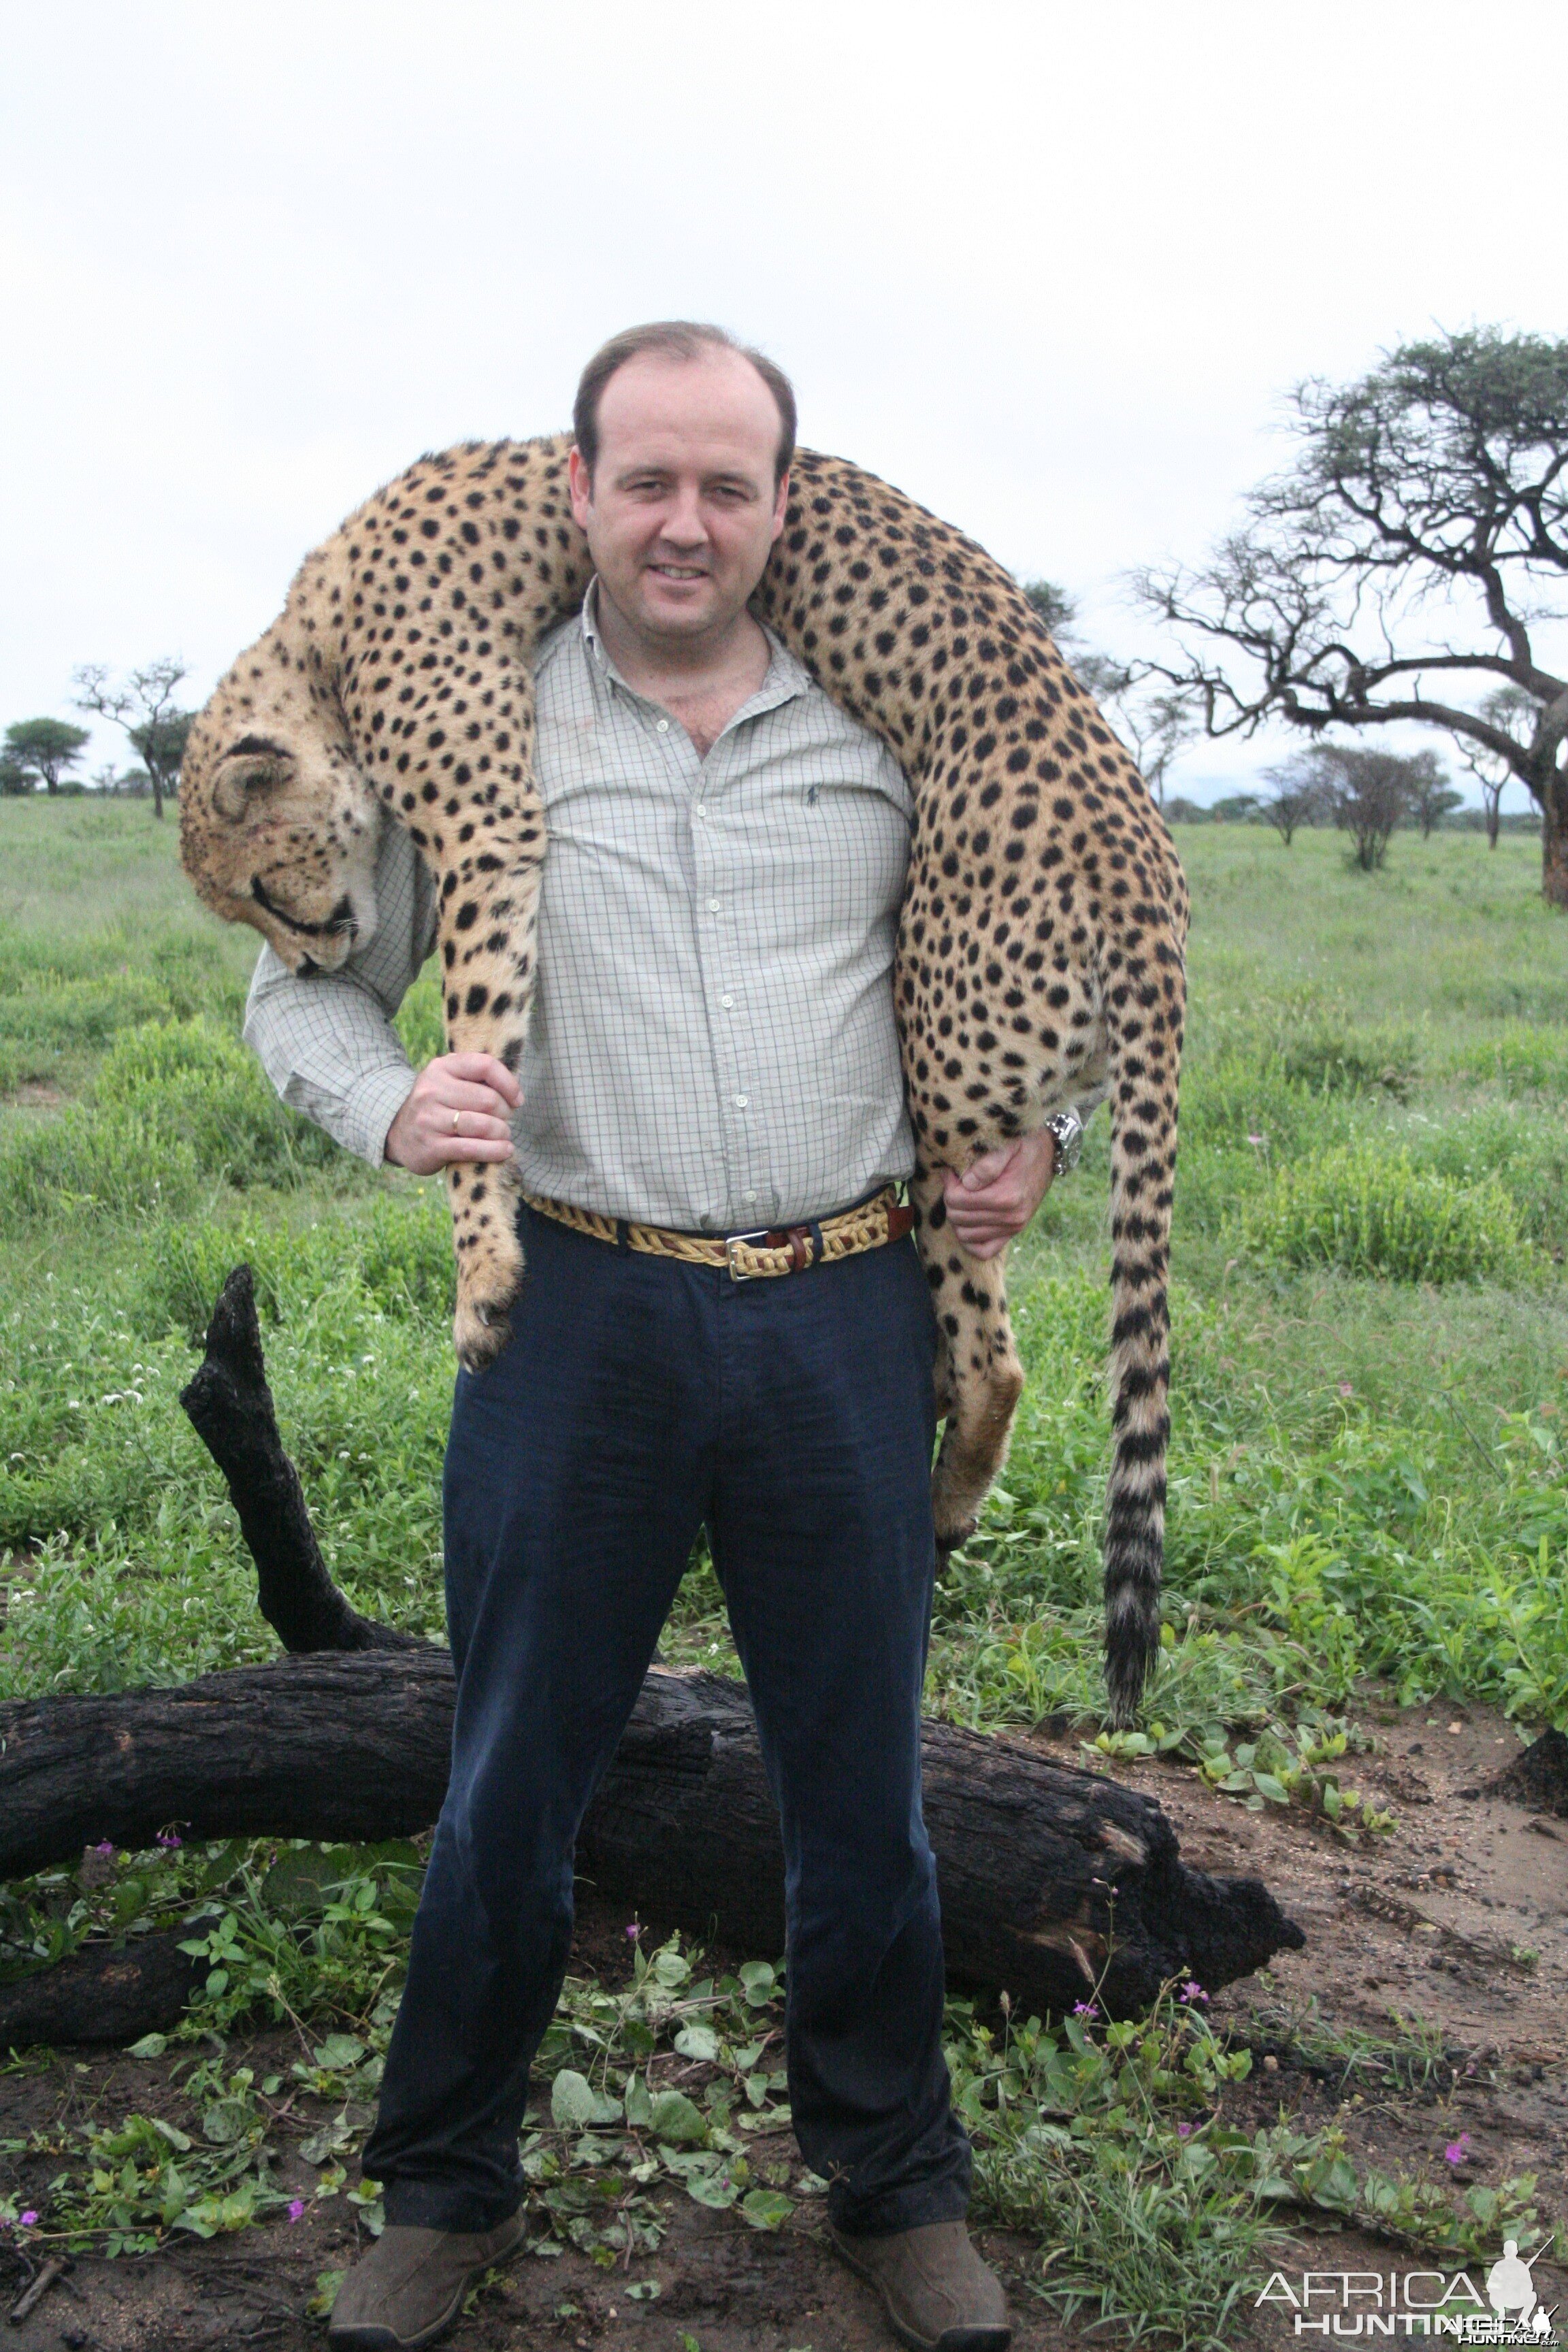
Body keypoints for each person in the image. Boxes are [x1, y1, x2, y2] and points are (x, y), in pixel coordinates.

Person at [245, 321, 1078, 2352]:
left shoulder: (894, 724)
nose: (685, 521)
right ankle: (442, 2190)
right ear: (579, 490)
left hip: (844, 1314)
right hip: (578, 1314)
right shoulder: (472, 724)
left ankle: (896, 2192)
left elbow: (1034, 938)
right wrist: (385, 1103)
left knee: (859, 1790)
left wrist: (1041, 1130)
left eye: (728, 483)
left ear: (784, 500)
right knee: (509, 1778)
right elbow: (297, 987)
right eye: (648, 481)